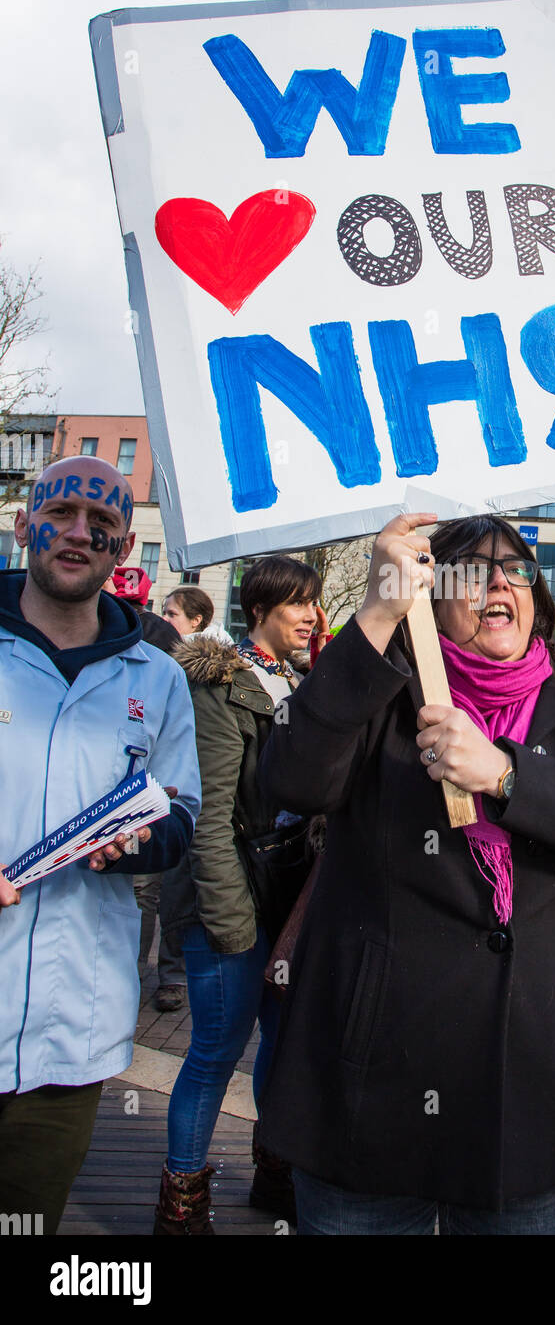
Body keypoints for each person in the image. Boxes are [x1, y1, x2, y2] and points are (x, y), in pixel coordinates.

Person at [255, 512, 555, 1235]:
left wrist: (506, 775)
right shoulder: (381, 682)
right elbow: (294, 778)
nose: (501, 581)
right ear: (428, 592)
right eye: (473, 569)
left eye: (517, 568)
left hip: (534, 1085)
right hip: (376, 1078)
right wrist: (376, 610)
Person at [0, 456, 201, 1234]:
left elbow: (181, 810)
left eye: (104, 526)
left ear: (122, 551)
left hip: (68, 1037)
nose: (80, 532)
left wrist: (145, 839)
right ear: (25, 525)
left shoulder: (158, 679)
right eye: (63, 513)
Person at [153, 555, 329, 1234]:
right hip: (234, 902)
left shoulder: (305, 682)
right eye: (297, 606)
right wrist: (234, 927)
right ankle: (183, 1200)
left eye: (313, 604)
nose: (311, 617)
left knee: (282, 1050)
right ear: (259, 613)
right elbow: (211, 818)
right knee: (216, 1052)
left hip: (286, 896)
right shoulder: (221, 689)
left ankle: (273, 1172)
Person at [105, 566, 188, 1010]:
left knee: (150, 892)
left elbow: (185, 796)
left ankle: (146, 975)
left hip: (143, 816)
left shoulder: (161, 651)